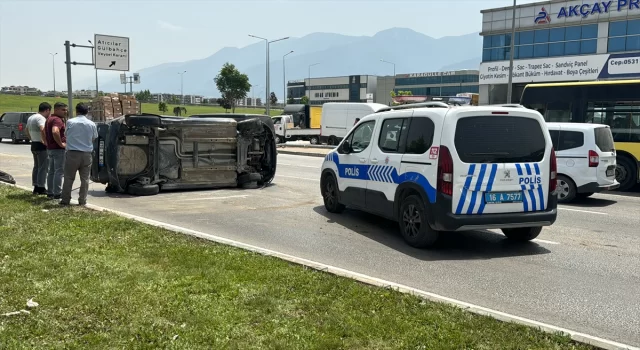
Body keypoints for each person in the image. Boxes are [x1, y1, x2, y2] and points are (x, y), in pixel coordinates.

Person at [60, 103, 97, 206]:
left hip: (72, 153)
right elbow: (94, 138)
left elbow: (66, 135)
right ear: (87, 112)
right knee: (85, 179)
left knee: (69, 177)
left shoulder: (70, 122)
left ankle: (65, 199)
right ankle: (82, 200)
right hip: (86, 154)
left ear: (77, 111)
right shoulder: (92, 124)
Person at [25, 102, 51, 195]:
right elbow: (42, 129)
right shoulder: (41, 118)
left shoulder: (31, 117)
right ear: (47, 110)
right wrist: (45, 141)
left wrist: (32, 138)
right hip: (41, 145)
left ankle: (36, 186)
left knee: (36, 166)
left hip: (34, 144)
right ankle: (41, 187)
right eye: (49, 112)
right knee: (43, 167)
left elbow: (26, 130)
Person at [44, 102, 68, 199]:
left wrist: (47, 142)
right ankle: (57, 193)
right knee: (59, 171)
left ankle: (50, 192)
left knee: (51, 171)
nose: (65, 112)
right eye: (63, 110)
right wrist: (61, 144)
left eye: (66, 110)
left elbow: (43, 132)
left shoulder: (49, 119)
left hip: (50, 149)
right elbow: (55, 131)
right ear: (56, 109)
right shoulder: (57, 120)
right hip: (58, 149)